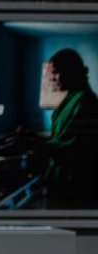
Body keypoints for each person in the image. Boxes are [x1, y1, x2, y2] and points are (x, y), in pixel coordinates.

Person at [37, 49, 98, 209]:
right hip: (60, 182)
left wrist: (34, 144)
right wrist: (35, 138)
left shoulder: (86, 101)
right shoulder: (70, 99)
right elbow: (60, 140)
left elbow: (75, 150)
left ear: (73, 71)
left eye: (57, 72)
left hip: (75, 188)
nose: (54, 78)